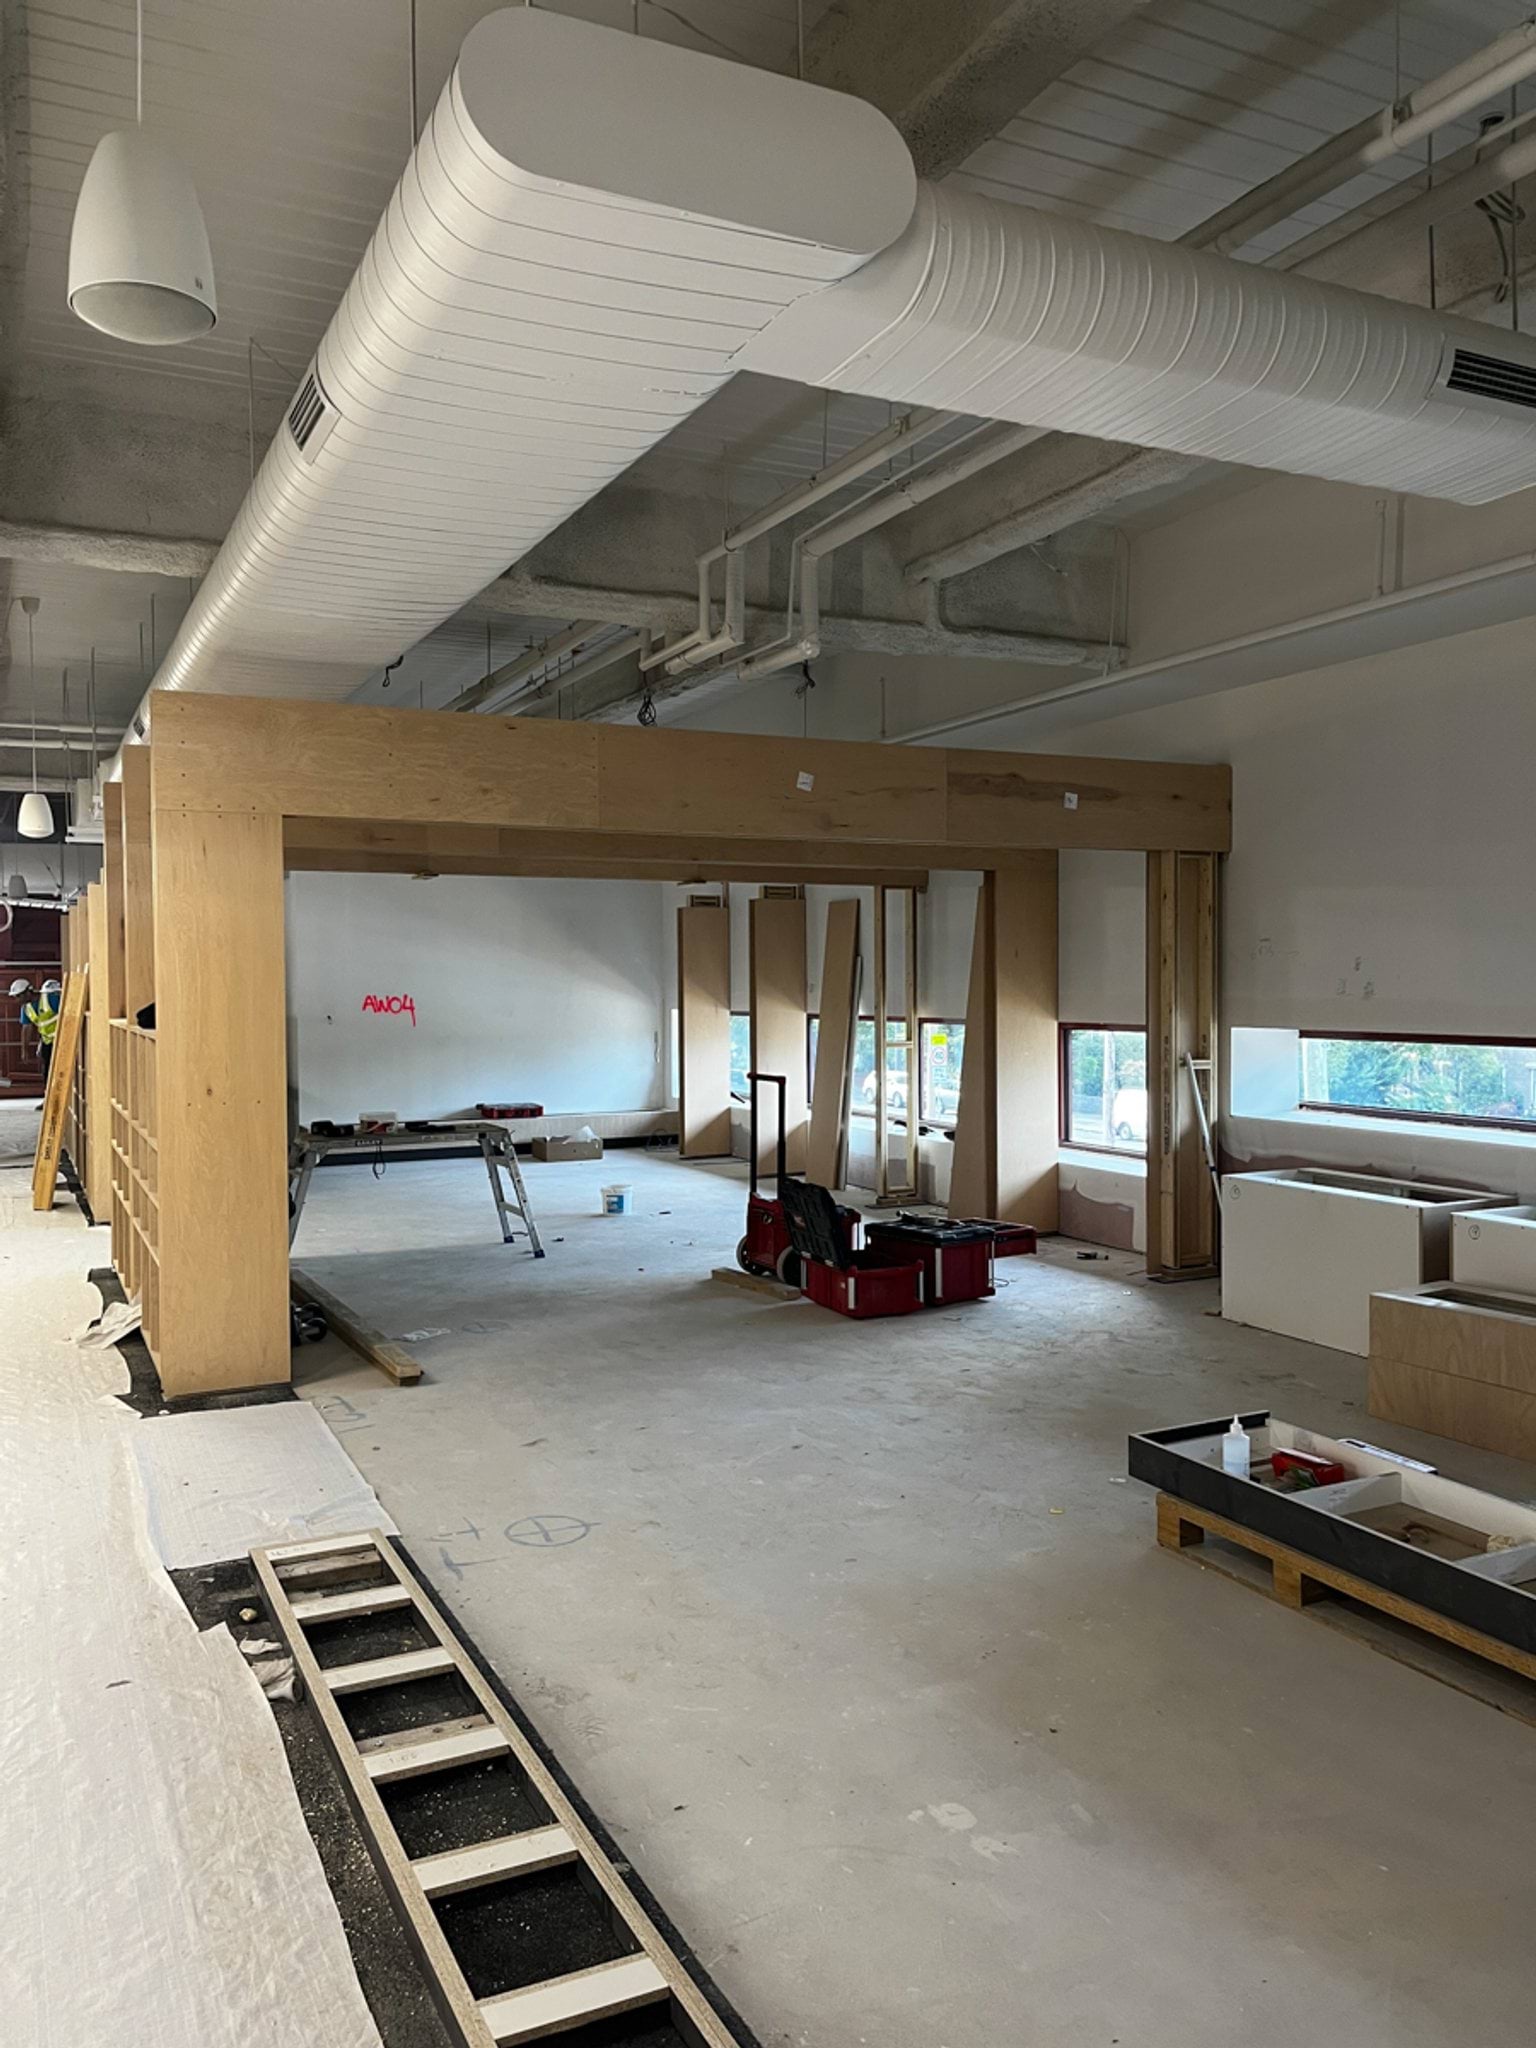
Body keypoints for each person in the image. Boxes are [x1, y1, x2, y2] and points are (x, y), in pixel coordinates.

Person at [14, 977, 61, 1099]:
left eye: (19, 996)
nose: (17, 1000)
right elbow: (26, 1028)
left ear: (28, 992)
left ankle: (58, 1098)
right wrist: (24, 1050)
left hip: (61, 1039)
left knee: (59, 1070)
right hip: (47, 1041)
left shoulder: (49, 998)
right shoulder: (26, 1008)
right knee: (47, 1072)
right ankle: (49, 1099)